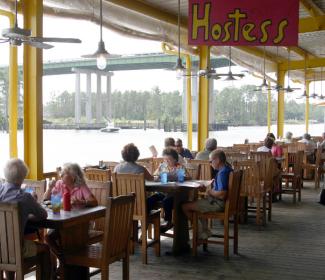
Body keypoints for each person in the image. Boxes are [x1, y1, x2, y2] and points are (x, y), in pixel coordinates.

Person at [0, 159, 52, 280]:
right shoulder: (25, 197)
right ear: (22, 177)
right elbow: (43, 215)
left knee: (9, 247)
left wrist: (23, 215)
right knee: (45, 249)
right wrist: (30, 208)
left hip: (1, 248)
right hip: (16, 249)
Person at [43, 163, 98, 262]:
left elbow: (94, 202)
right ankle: (64, 260)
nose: (61, 175)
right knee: (48, 237)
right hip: (62, 222)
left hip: (80, 224)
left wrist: (82, 202)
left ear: (73, 177)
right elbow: (45, 200)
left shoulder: (81, 186)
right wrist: (50, 188)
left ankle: (67, 265)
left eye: (64, 173)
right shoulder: (60, 184)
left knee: (62, 239)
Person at [182, 150, 233, 239]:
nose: (210, 164)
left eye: (210, 161)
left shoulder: (222, 173)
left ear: (217, 160)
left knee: (185, 206)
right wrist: (212, 187)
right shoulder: (228, 169)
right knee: (198, 203)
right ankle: (204, 231)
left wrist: (209, 192)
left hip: (218, 204)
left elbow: (222, 194)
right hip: (223, 203)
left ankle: (200, 232)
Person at [152, 148, 190, 232]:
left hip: (175, 193)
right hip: (163, 191)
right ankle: (148, 219)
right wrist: (157, 176)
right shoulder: (162, 166)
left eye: (169, 159)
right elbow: (154, 176)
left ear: (175, 160)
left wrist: (180, 177)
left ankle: (168, 221)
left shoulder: (179, 167)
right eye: (165, 159)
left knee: (167, 201)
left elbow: (188, 178)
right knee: (151, 199)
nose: (166, 161)